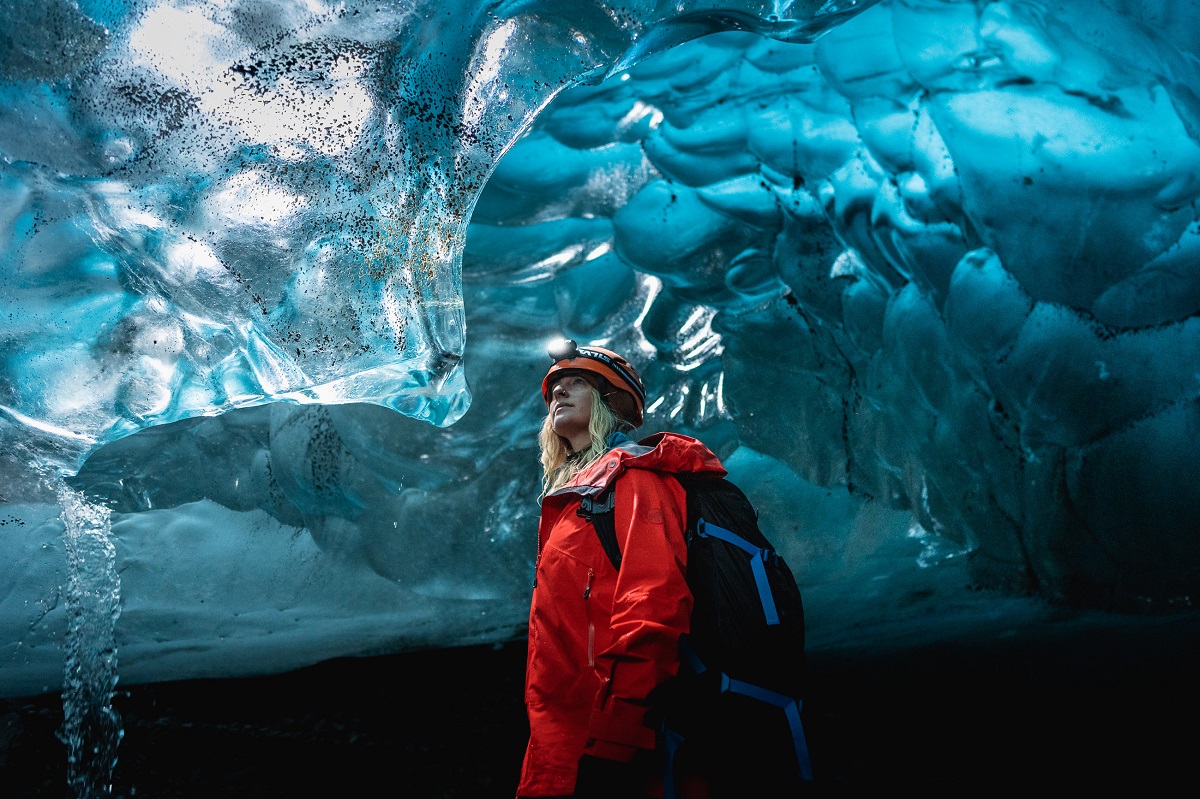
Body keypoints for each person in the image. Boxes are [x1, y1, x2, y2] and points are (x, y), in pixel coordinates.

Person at [516, 339, 727, 799]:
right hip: (561, 744)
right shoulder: (576, 500)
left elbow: (654, 605)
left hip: (613, 744)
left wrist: (617, 738)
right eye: (555, 388)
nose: (559, 393)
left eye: (577, 384)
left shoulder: (635, 480)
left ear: (611, 405)